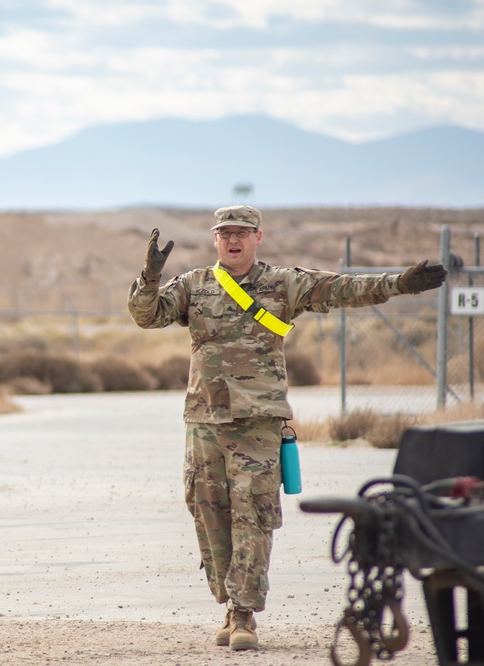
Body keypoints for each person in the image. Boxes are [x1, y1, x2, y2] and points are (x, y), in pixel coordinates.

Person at [126, 205, 447, 652]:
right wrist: (150, 274)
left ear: (259, 237)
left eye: (242, 233)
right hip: (203, 421)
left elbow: (342, 289)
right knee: (207, 512)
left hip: (257, 422)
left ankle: (243, 614)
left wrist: (400, 283)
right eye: (225, 234)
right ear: (215, 240)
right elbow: (147, 315)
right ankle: (228, 600)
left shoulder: (283, 282)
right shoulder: (195, 286)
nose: (233, 240)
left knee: (253, 515)